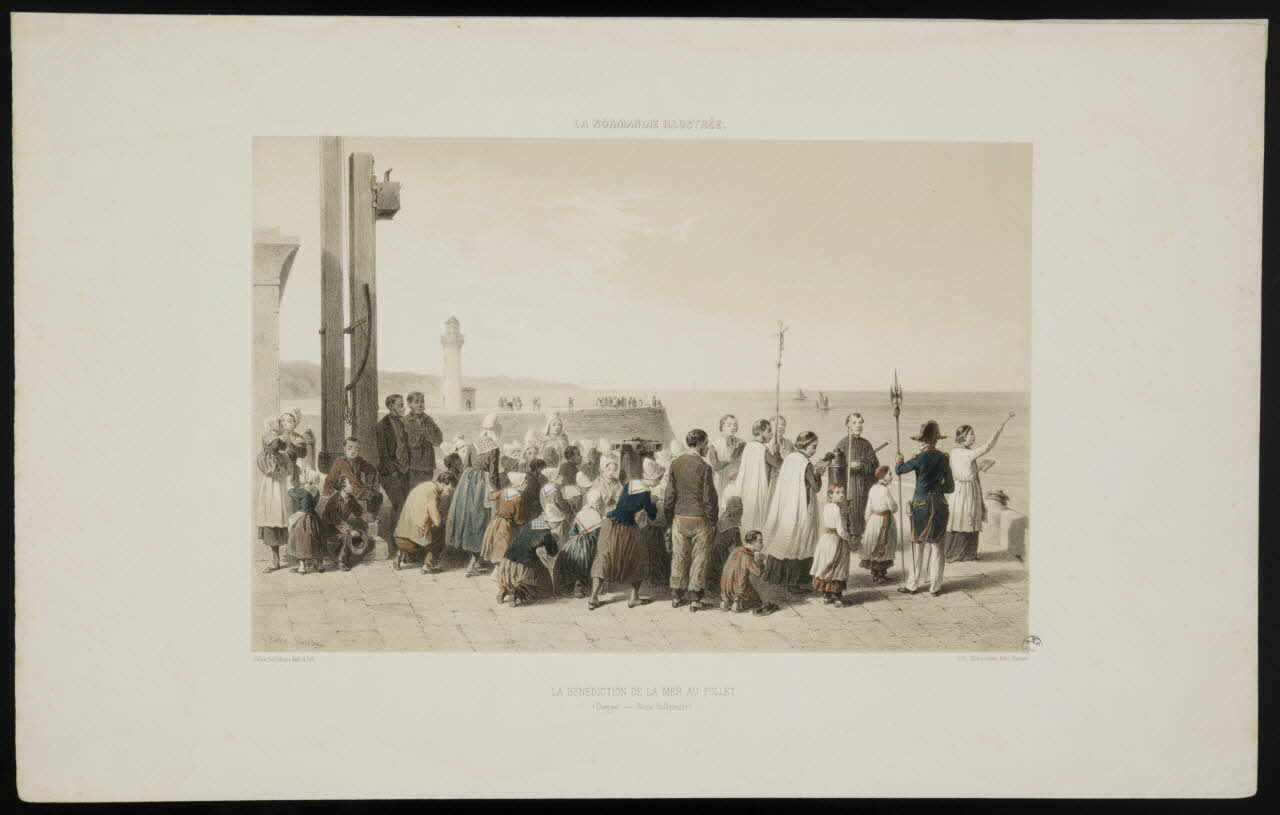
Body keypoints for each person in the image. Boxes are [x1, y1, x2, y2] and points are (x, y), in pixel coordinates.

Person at [588, 460, 660, 610]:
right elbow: (652, 515)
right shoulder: (646, 492)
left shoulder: (630, 483)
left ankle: (593, 597)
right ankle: (633, 597)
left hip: (610, 523)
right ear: (652, 479)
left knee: (604, 557)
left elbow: (624, 503)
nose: (659, 481)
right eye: (658, 478)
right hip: (626, 527)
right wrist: (654, 502)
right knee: (639, 557)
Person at [944, 411, 1015, 562]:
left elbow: (964, 469)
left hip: (961, 489)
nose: (974, 436)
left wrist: (977, 467)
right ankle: (963, 554)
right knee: (967, 519)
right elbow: (988, 446)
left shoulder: (956, 452)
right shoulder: (965, 453)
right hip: (966, 491)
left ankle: (961, 553)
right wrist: (1001, 425)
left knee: (962, 520)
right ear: (963, 437)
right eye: (971, 434)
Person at [895, 420, 955, 596]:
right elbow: (950, 487)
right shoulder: (944, 458)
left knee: (917, 544)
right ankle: (935, 587)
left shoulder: (919, 458)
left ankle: (912, 585)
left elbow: (899, 470)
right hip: (939, 505)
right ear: (935, 441)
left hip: (921, 505)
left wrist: (898, 461)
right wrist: (937, 490)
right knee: (937, 547)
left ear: (922, 442)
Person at [663, 428, 720, 611]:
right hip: (699, 519)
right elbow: (709, 499)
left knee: (679, 557)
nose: (707, 446)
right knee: (699, 558)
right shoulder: (704, 467)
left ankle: (676, 596)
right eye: (706, 443)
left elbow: (669, 496)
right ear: (700, 444)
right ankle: (695, 598)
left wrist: (668, 520)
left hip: (679, 518)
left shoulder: (676, 463)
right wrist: (712, 521)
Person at [760, 430, 822, 593]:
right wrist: (819, 473)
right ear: (805, 446)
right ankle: (793, 582)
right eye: (813, 447)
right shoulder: (805, 463)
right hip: (801, 507)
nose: (815, 450)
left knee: (784, 539)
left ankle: (777, 578)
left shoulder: (790, 458)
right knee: (799, 540)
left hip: (788, 505)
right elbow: (816, 487)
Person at [446, 414, 503, 575]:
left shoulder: (472, 444)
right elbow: (493, 475)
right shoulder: (494, 449)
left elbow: (466, 465)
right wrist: (497, 492)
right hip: (481, 485)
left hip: (467, 482)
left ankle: (475, 562)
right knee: (481, 519)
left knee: (469, 518)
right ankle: (473, 564)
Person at [824, 412, 881, 547]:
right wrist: (848, 466)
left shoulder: (866, 444)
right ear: (848, 425)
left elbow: (874, 464)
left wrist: (863, 465)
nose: (858, 426)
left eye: (860, 422)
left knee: (863, 511)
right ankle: (849, 539)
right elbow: (835, 468)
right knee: (850, 511)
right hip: (849, 485)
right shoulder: (842, 444)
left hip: (864, 484)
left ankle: (861, 538)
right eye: (854, 423)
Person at [392, 471, 457, 573]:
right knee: (441, 530)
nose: (448, 494)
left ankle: (399, 555)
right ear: (443, 485)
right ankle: (428, 566)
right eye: (448, 490)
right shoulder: (433, 492)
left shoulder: (425, 486)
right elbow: (437, 520)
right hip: (412, 542)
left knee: (416, 526)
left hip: (400, 537)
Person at [256, 417, 294, 574]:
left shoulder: (282, 454)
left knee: (283, 517)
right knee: (272, 517)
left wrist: (287, 437)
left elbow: (288, 465)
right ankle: (275, 560)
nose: (282, 425)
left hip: (281, 487)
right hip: (271, 488)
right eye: (280, 423)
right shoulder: (268, 444)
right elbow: (273, 449)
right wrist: (283, 436)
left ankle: (293, 555)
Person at [497, 517, 560, 607]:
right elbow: (552, 552)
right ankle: (516, 594)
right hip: (523, 560)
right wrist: (554, 541)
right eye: (557, 524)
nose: (557, 526)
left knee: (512, 577)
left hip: (508, 557)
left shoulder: (532, 523)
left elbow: (528, 539)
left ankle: (503, 590)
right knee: (543, 582)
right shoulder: (546, 532)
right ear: (552, 522)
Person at [321, 475, 377, 571]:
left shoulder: (351, 499)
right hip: (329, 530)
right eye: (350, 483)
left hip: (340, 528)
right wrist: (350, 530)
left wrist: (372, 518)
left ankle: (346, 556)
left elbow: (360, 511)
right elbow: (336, 520)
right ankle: (341, 562)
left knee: (359, 530)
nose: (353, 486)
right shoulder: (333, 501)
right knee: (349, 536)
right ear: (343, 487)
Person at [810, 483, 854, 604]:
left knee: (825, 564)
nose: (841, 495)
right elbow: (841, 530)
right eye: (837, 492)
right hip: (837, 541)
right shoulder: (837, 509)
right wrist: (849, 537)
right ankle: (837, 597)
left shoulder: (827, 507)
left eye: (842, 492)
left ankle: (826, 595)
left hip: (826, 539)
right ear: (830, 495)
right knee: (838, 566)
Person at [738, 418, 782, 534]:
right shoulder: (762, 449)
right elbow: (778, 465)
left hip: (748, 489)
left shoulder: (748, 446)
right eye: (769, 431)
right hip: (759, 490)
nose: (772, 433)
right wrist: (777, 452)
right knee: (759, 518)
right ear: (761, 432)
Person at [376, 394, 412, 529]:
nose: (404, 408)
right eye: (401, 405)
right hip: (389, 473)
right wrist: (394, 472)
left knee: (407, 505)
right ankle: (396, 545)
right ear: (391, 407)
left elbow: (406, 448)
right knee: (400, 504)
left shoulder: (402, 424)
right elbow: (383, 454)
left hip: (404, 471)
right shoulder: (382, 426)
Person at [324, 437, 381, 516]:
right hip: (345, 489)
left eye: (356, 449)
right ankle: (369, 518)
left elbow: (371, 470)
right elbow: (330, 477)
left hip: (358, 487)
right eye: (350, 448)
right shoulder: (339, 461)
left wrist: (369, 484)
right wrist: (327, 491)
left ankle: (371, 517)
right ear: (344, 448)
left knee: (378, 495)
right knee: (372, 496)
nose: (353, 451)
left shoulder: (359, 460)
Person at [553, 506, 603, 598]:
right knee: (587, 559)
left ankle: (577, 587)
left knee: (572, 558)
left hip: (574, 543)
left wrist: (577, 540)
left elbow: (572, 532)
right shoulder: (596, 516)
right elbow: (599, 536)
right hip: (591, 544)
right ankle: (585, 587)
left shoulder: (580, 514)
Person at [860, 465, 899, 584]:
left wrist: (868, 523)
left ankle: (876, 574)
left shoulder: (872, 489)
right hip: (884, 520)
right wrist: (895, 507)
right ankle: (880, 574)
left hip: (874, 520)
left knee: (875, 544)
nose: (891, 477)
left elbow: (868, 508)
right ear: (883, 476)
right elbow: (893, 507)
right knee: (884, 544)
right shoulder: (884, 490)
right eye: (889, 474)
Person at [480, 470, 526, 568]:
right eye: (524, 482)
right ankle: (500, 572)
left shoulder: (503, 491)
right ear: (519, 484)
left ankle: (497, 570)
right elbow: (519, 519)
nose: (526, 484)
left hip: (497, 522)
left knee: (497, 545)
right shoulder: (518, 498)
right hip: (507, 524)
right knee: (505, 547)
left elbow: (490, 497)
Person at [404, 391, 444, 490]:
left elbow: (438, 441)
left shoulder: (429, 420)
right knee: (413, 492)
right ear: (409, 404)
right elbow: (406, 443)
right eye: (416, 402)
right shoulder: (405, 421)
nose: (420, 404)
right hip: (412, 465)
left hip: (428, 464)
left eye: (422, 401)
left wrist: (429, 435)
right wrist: (421, 435)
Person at [720, 530, 767, 614]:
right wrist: (760, 561)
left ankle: (725, 601)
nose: (762, 544)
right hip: (739, 588)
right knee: (757, 601)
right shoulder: (747, 555)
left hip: (725, 587)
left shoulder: (736, 550)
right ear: (752, 542)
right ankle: (737, 602)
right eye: (760, 541)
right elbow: (758, 572)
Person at [286, 475, 324, 575]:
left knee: (300, 539)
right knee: (316, 539)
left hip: (303, 517)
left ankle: (302, 567)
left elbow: (290, 492)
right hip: (313, 516)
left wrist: (289, 484)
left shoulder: (304, 490)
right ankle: (320, 565)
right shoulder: (316, 490)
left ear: (307, 479)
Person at [709, 492, 744, 601]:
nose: (742, 512)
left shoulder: (722, 519)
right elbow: (738, 547)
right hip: (722, 553)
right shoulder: (733, 528)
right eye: (740, 509)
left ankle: (713, 588)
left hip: (713, 551)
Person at [707, 414, 745, 502]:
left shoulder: (741, 443)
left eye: (735, 425)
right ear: (722, 427)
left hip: (736, 481)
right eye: (729, 425)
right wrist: (728, 460)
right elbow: (715, 466)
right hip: (720, 481)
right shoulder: (715, 445)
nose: (733, 427)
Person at [539, 466, 574, 543]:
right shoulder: (555, 492)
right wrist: (570, 503)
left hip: (549, 520)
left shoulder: (543, 490)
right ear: (554, 478)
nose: (561, 477)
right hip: (558, 521)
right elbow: (565, 508)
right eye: (559, 475)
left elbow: (544, 504)